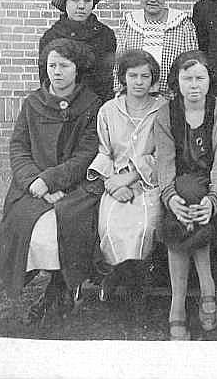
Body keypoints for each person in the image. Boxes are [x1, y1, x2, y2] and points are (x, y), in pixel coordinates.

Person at [0, 38, 103, 324]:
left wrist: (52, 181)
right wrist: (35, 183)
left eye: (64, 66)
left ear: (77, 69)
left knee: (69, 222)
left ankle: (61, 288)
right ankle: (54, 287)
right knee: (29, 228)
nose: (57, 72)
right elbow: (18, 147)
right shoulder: (32, 104)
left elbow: (86, 154)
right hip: (32, 186)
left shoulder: (92, 105)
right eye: (52, 65)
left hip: (75, 184)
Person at [154, 50, 217, 340]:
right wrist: (170, 197)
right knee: (186, 195)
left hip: (213, 188)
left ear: (210, 80)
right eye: (186, 78)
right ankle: (206, 291)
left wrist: (213, 200)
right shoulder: (165, 113)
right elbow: (165, 162)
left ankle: (178, 307)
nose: (194, 84)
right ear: (177, 82)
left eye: (200, 77)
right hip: (177, 190)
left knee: (194, 195)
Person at [87, 50, 167, 301]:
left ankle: (138, 280)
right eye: (133, 76)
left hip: (147, 182)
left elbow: (163, 154)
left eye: (145, 76)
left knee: (143, 225)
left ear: (153, 79)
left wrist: (131, 177)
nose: (139, 82)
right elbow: (103, 150)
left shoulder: (162, 109)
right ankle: (115, 273)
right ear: (123, 78)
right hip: (114, 181)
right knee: (110, 225)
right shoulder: (109, 110)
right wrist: (113, 184)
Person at [114, 0, 198, 97]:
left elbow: (192, 67)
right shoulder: (129, 23)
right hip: (135, 100)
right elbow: (119, 67)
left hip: (171, 100)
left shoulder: (182, 24)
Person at [40, 0, 116, 101]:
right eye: (75, 0)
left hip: (96, 106)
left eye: (87, 0)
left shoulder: (105, 35)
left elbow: (106, 81)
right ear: (65, 3)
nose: (81, 6)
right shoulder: (51, 37)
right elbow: (46, 83)